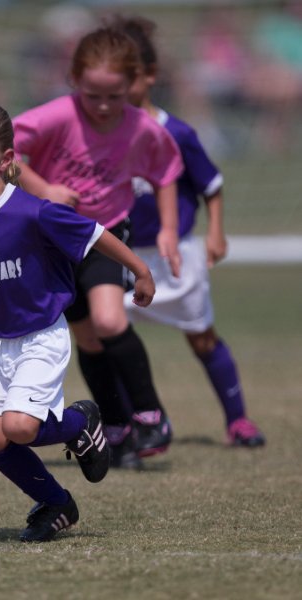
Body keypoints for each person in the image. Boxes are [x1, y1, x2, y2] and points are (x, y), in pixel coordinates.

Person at [0, 100, 157, 542]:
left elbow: (94, 234)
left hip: (39, 337)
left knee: (20, 427)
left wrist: (142, 271)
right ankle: (56, 502)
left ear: (5, 161)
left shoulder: (33, 211)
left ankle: (80, 424)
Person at [12, 27, 183, 468]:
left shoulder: (142, 127)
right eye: (94, 96)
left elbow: (166, 172)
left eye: (115, 96)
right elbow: (3, 153)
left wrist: (167, 228)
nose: (105, 106)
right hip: (53, 242)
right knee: (85, 337)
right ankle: (116, 423)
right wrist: (44, 187)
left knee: (109, 320)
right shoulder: (55, 116)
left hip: (107, 235)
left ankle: (151, 415)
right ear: (73, 80)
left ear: (133, 85)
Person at [112, 15, 266, 448]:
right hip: (121, 256)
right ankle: (138, 426)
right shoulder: (103, 135)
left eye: (130, 78)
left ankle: (238, 421)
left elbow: (211, 186)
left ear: (150, 76)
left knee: (202, 338)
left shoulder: (177, 132)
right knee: (111, 336)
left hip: (175, 255)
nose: (122, 89)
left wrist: (216, 233)